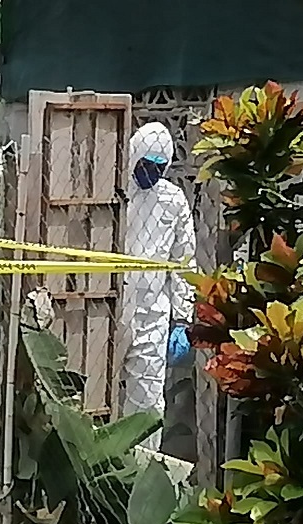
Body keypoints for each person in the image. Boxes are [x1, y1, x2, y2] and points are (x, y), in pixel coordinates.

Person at [120, 122, 196, 451]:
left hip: (153, 311)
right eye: (146, 165)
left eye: (158, 167)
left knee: (148, 402)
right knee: (93, 390)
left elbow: (184, 261)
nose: (150, 173)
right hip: (110, 305)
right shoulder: (114, 190)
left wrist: (182, 318)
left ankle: (139, 473)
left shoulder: (172, 200)